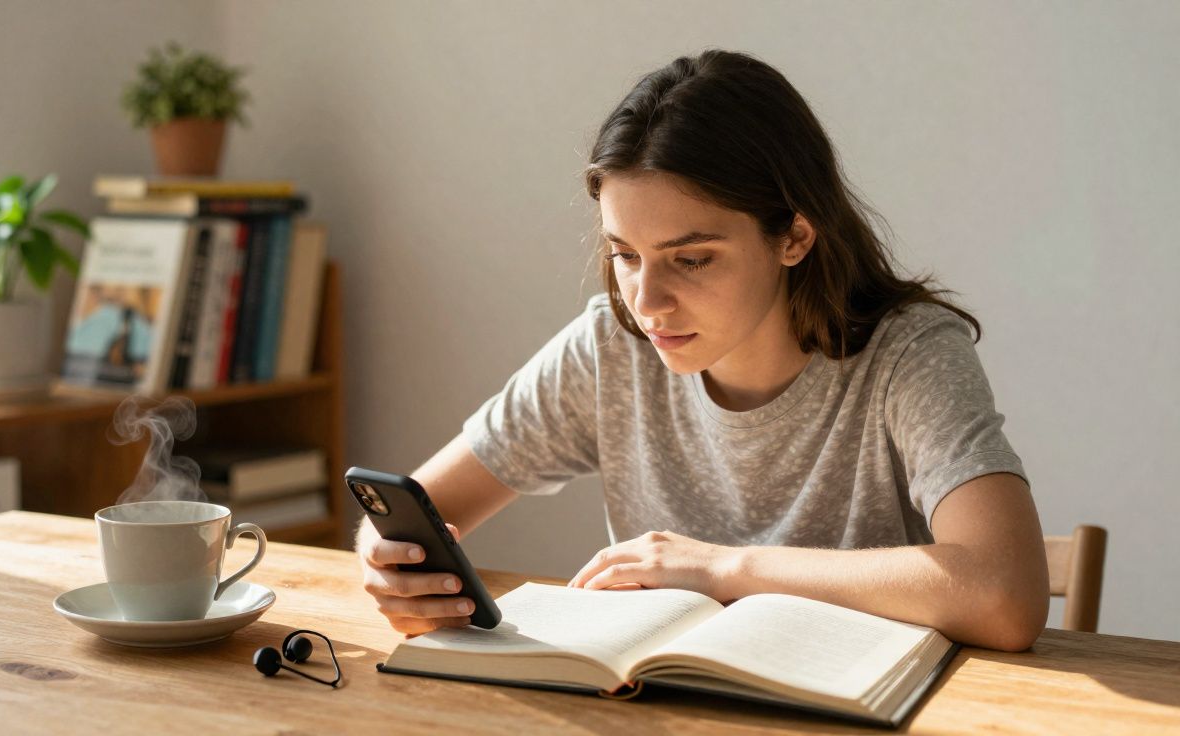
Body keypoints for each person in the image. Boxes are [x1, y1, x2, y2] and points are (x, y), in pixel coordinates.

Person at [355, 49, 1049, 651]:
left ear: (794, 238)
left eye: (692, 260)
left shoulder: (908, 353)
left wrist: (726, 570)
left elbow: (1004, 596)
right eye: (626, 254)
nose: (647, 302)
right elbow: (404, 512)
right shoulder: (610, 348)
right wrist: (389, 563)